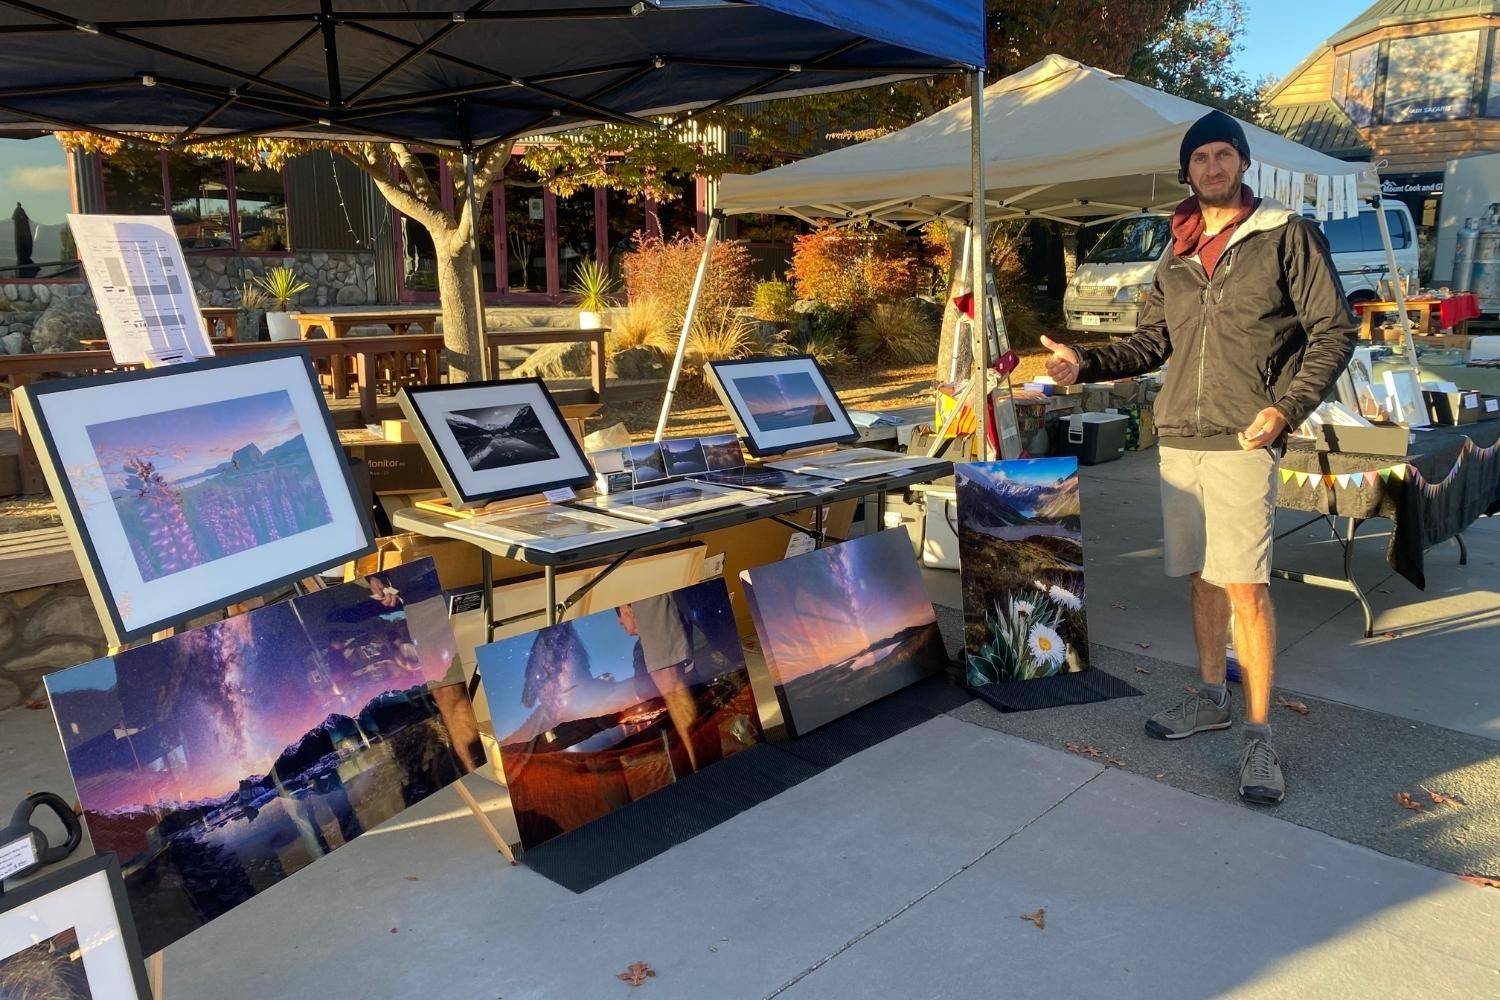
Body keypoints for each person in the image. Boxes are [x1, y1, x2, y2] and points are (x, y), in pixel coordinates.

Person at [1039, 110, 1356, 805]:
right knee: (1203, 579)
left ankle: (1259, 736)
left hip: (1246, 438)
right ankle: (1211, 696)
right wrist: (1086, 362)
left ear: (1243, 164)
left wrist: (1285, 408)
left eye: (1223, 155)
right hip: (1180, 436)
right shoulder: (1176, 252)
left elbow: (1334, 330)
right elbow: (1152, 343)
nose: (1212, 167)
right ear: (1187, 171)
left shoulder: (1285, 236)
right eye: (1200, 158)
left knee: (1246, 586)